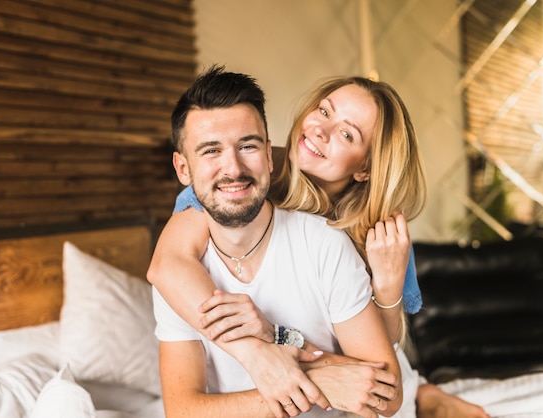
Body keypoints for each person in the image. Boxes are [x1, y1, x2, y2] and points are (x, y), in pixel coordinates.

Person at [148, 68, 490, 418]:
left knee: (385, 372)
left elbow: (374, 362)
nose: (320, 131)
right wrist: (255, 349)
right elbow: (167, 265)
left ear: (366, 168)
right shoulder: (241, 182)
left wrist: (387, 291)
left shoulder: (374, 229)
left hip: (359, 359)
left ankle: (423, 393)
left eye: (346, 133)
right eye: (324, 111)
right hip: (322, 363)